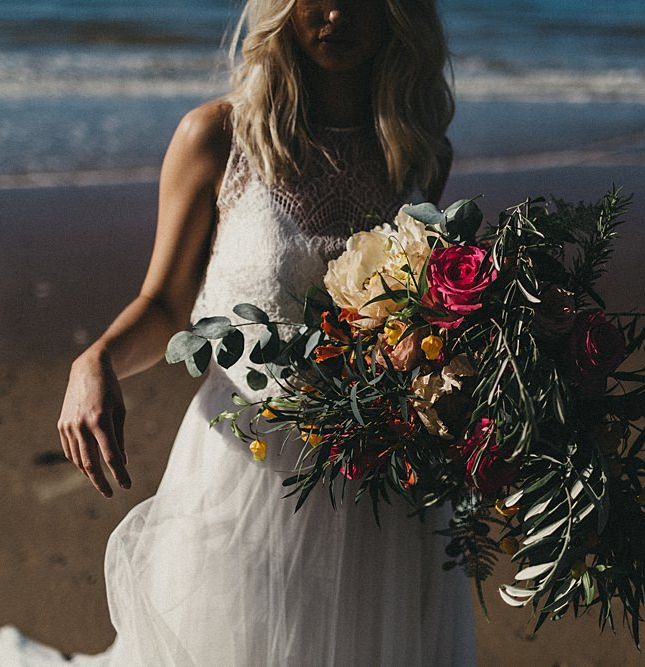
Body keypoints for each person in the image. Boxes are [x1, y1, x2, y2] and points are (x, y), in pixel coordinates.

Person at [0, 1, 477, 664]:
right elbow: (165, 303)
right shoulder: (218, 137)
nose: (337, 12)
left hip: (380, 487)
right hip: (245, 473)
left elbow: (426, 320)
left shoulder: (418, 151)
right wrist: (96, 360)